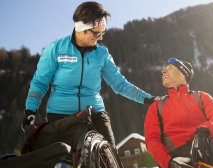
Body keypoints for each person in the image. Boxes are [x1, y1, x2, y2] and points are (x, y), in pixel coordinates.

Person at [23, 1, 155, 146]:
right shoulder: (56, 49)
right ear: (82, 28)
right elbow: (40, 83)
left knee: (109, 157)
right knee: (65, 160)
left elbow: (120, 84)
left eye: (103, 32)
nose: (101, 37)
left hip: (95, 114)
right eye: (97, 33)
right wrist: (30, 110)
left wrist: (149, 99)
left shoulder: (102, 53)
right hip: (61, 116)